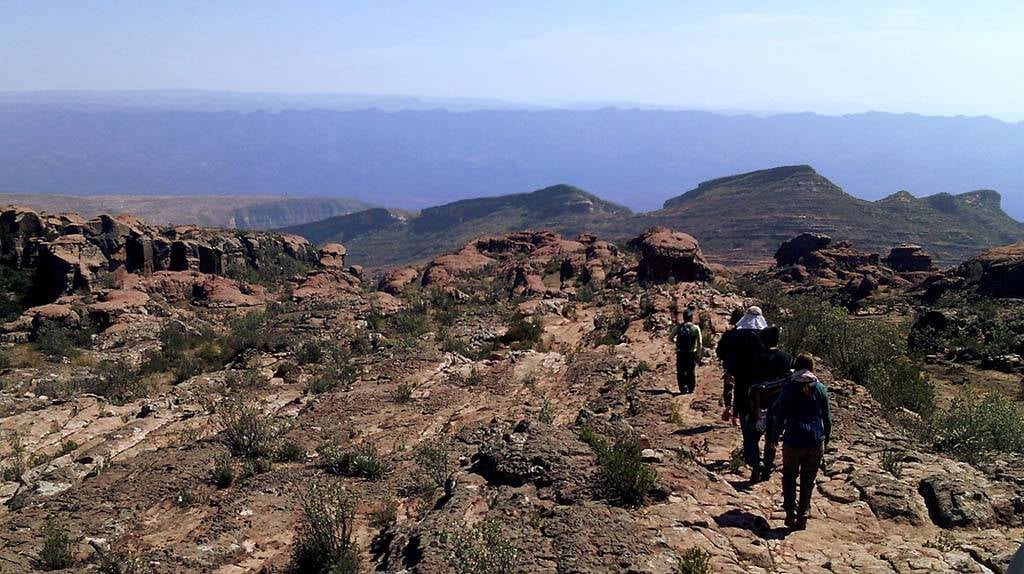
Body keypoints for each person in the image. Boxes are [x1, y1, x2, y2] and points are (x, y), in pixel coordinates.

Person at [766, 353, 832, 530]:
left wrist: (773, 437)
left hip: (793, 439)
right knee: (808, 479)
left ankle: (790, 512)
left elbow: (779, 416)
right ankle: (803, 514)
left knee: (789, 476)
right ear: (811, 368)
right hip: (815, 440)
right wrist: (827, 439)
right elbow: (827, 417)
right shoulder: (820, 388)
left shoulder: (788, 387)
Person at [717, 306, 768, 481]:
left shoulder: (734, 335)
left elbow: (721, 352)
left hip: (742, 387)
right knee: (766, 426)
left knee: (748, 425)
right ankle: (763, 462)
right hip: (766, 389)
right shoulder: (766, 336)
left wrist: (730, 369)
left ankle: (755, 461)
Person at [749, 325, 793, 480]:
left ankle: (755, 465)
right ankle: (767, 467)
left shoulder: (756, 357)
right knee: (771, 438)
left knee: (753, 436)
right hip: (777, 404)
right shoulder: (786, 358)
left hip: (758, 403)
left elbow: (752, 380)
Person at [715, 308, 747, 423]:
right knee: (739, 390)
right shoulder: (745, 335)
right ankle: (736, 416)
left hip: (729, 366)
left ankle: (728, 406)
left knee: (728, 387)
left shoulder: (728, 334)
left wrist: (724, 360)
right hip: (742, 367)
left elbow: (719, 351)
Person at [671, 308, 702, 394]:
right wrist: (698, 354)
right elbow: (699, 342)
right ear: (691, 318)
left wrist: (676, 343)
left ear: (684, 318)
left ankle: (682, 388)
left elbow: (670, 338)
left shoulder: (679, 327)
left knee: (681, 371)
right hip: (691, 353)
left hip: (681, 352)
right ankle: (691, 388)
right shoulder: (695, 328)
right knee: (690, 371)